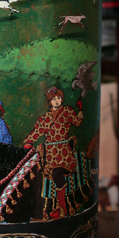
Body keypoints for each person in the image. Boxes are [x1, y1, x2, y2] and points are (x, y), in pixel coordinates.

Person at [22, 86, 83, 220]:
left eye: (58, 98)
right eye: (53, 99)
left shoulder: (67, 111)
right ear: (49, 102)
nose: (56, 101)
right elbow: (37, 131)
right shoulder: (45, 117)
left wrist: (80, 111)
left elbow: (77, 123)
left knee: (57, 174)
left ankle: (63, 209)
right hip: (50, 154)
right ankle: (52, 208)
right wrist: (28, 142)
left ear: (62, 99)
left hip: (63, 151)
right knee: (50, 176)